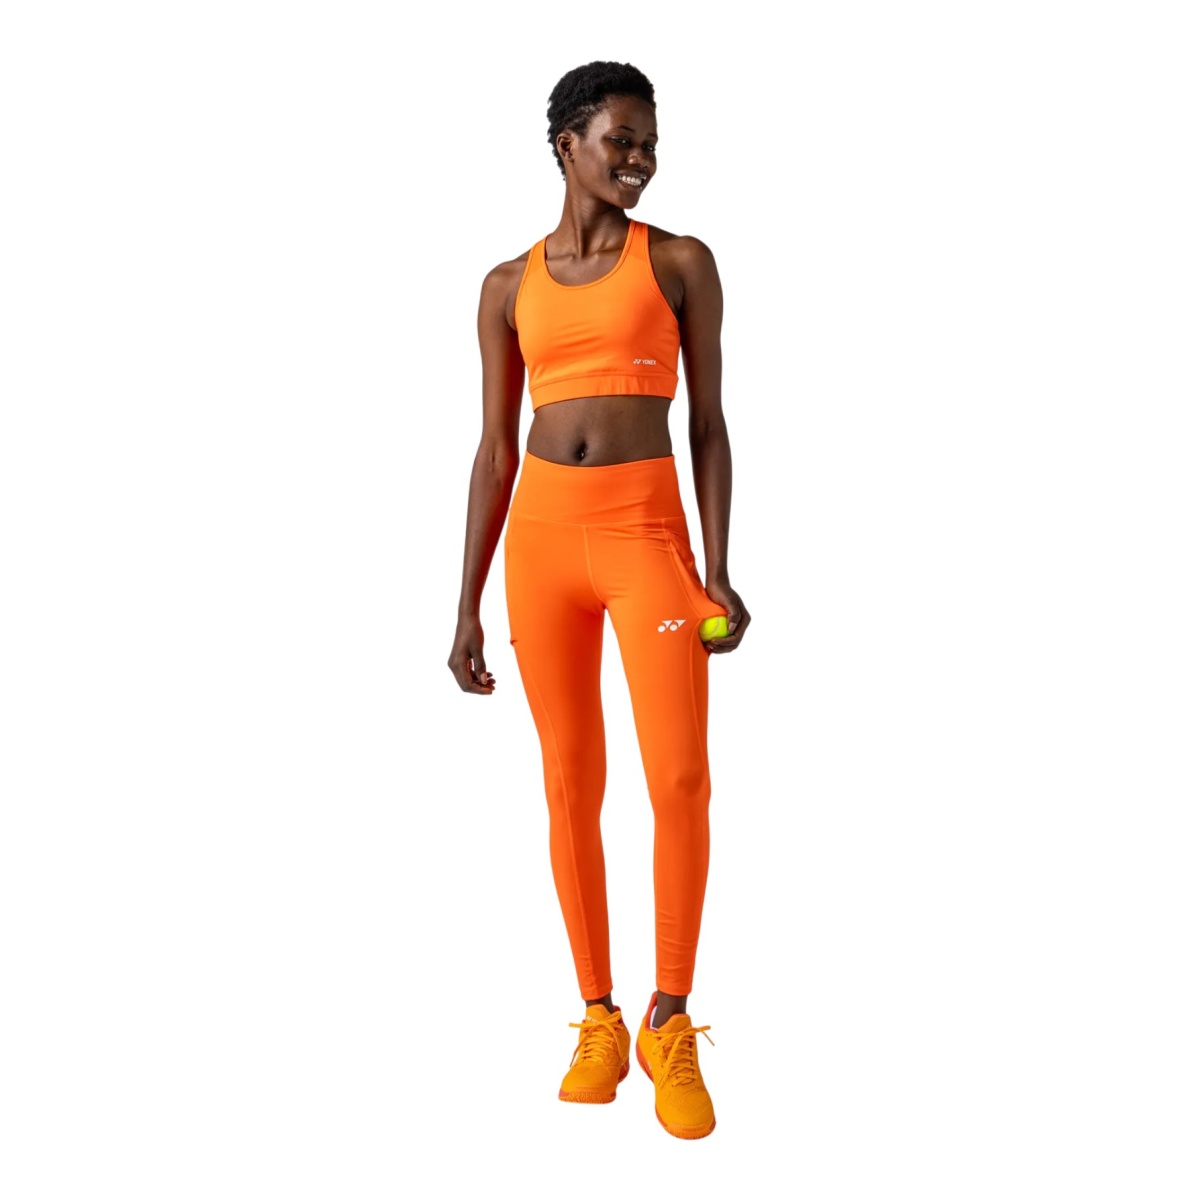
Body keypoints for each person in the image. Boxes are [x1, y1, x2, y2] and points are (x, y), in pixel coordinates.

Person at [448, 60, 750, 1141]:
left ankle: (670, 1018)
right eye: (620, 139)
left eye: (648, 143)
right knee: (570, 785)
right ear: (566, 143)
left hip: (644, 537)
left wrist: (719, 565)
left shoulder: (679, 263)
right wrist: (465, 603)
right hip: (540, 547)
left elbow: (707, 425)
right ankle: (599, 1017)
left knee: (679, 780)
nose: (639, 159)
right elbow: (494, 451)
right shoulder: (506, 285)